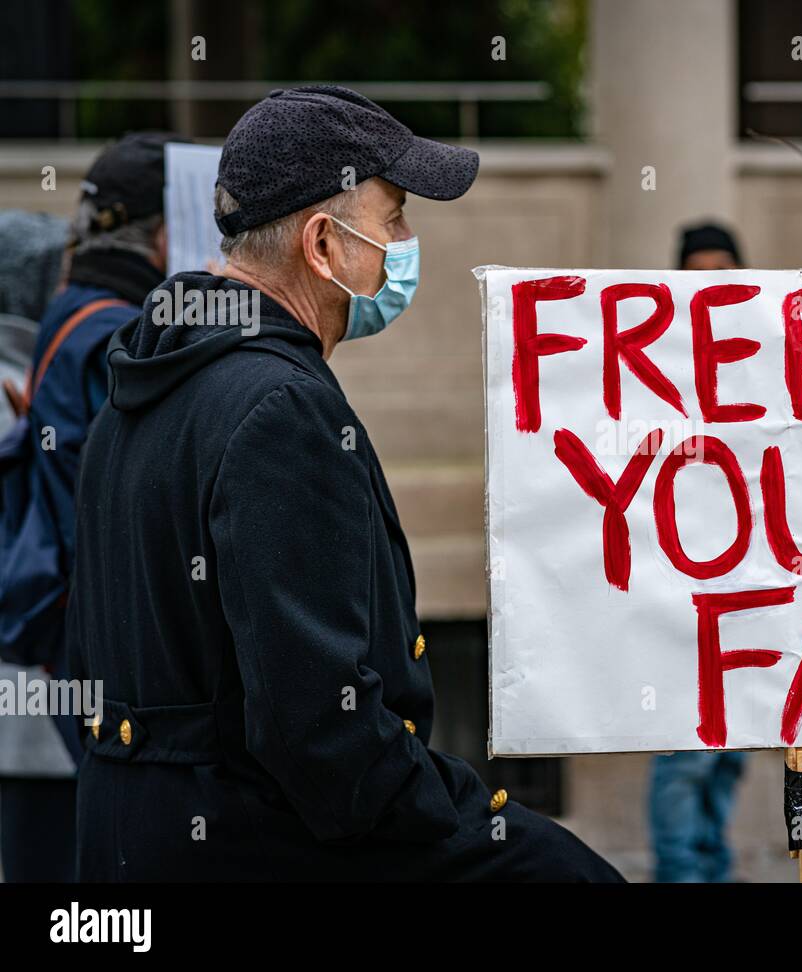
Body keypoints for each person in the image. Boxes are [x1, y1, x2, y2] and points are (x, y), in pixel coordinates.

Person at [66, 85, 622, 882]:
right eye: (393, 217)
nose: (406, 240)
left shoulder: (145, 381)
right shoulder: (279, 410)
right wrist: (491, 838)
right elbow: (327, 742)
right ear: (323, 244)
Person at [0, 137, 184, 881]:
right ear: (168, 236)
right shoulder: (114, 336)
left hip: (52, 674)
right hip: (92, 677)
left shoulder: (68, 329)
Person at [647, 221, 750, 883]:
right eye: (697, 274)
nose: (710, 287)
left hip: (749, 586)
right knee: (687, 750)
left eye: (723, 273)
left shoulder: (759, 362)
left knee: (730, 749)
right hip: (683, 588)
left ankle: (711, 866)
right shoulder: (660, 369)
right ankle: (683, 875)